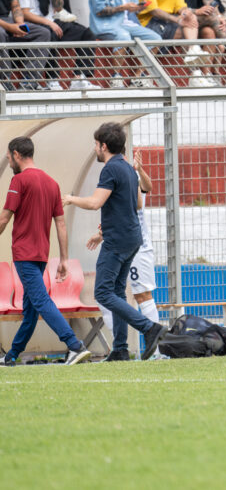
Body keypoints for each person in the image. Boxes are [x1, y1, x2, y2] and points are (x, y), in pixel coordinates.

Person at [63, 123, 168, 361]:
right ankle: (120, 349)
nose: (95, 149)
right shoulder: (129, 169)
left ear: (104, 146)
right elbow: (138, 204)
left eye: (96, 145)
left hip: (118, 240)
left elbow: (94, 203)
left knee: (102, 292)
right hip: (133, 238)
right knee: (118, 292)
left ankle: (150, 328)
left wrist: (70, 198)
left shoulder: (110, 169)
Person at [0, 137, 92, 367]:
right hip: (41, 255)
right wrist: (63, 259)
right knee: (30, 309)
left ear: (17, 155)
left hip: (24, 255)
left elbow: (3, 218)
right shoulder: (52, 183)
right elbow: (61, 224)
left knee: (40, 300)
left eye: (9, 156)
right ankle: (11, 356)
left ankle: (74, 345)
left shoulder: (18, 181)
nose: (8, 160)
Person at [87, 151, 164, 359]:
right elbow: (119, 212)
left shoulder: (129, 175)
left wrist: (139, 170)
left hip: (137, 246)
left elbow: (147, 189)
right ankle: (120, 347)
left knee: (140, 295)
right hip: (124, 240)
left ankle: (155, 346)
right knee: (111, 294)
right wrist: (101, 234)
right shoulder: (122, 174)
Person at [17, 0, 99, 90]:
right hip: (34, 23)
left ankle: (79, 78)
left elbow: (58, 7)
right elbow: (25, 13)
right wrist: (49, 23)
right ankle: (52, 79)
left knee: (87, 33)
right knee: (49, 33)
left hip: (52, 19)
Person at [88, 0, 162, 88]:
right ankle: (116, 77)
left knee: (156, 38)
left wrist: (139, 8)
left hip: (128, 23)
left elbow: (131, 11)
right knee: (123, 35)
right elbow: (99, 10)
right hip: (106, 24)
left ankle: (138, 77)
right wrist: (123, 7)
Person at [0, 0, 51, 90]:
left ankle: (29, 82)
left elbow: (15, 5)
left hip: (6, 19)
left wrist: (20, 24)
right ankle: (4, 83)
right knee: (1, 33)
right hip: (3, 25)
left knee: (43, 32)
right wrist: (10, 27)